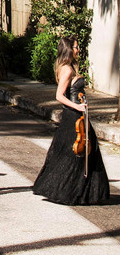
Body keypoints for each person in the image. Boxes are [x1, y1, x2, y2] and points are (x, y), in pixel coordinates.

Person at [32, 36, 110, 205]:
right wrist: (78, 107)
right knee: (80, 152)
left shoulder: (69, 67)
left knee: (78, 153)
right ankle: (72, 191)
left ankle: (80, 191)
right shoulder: (67, 69)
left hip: (76, 115)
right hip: (74, 116)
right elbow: (59, 96)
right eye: (75, 47)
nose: (78, 50)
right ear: (68, 49)